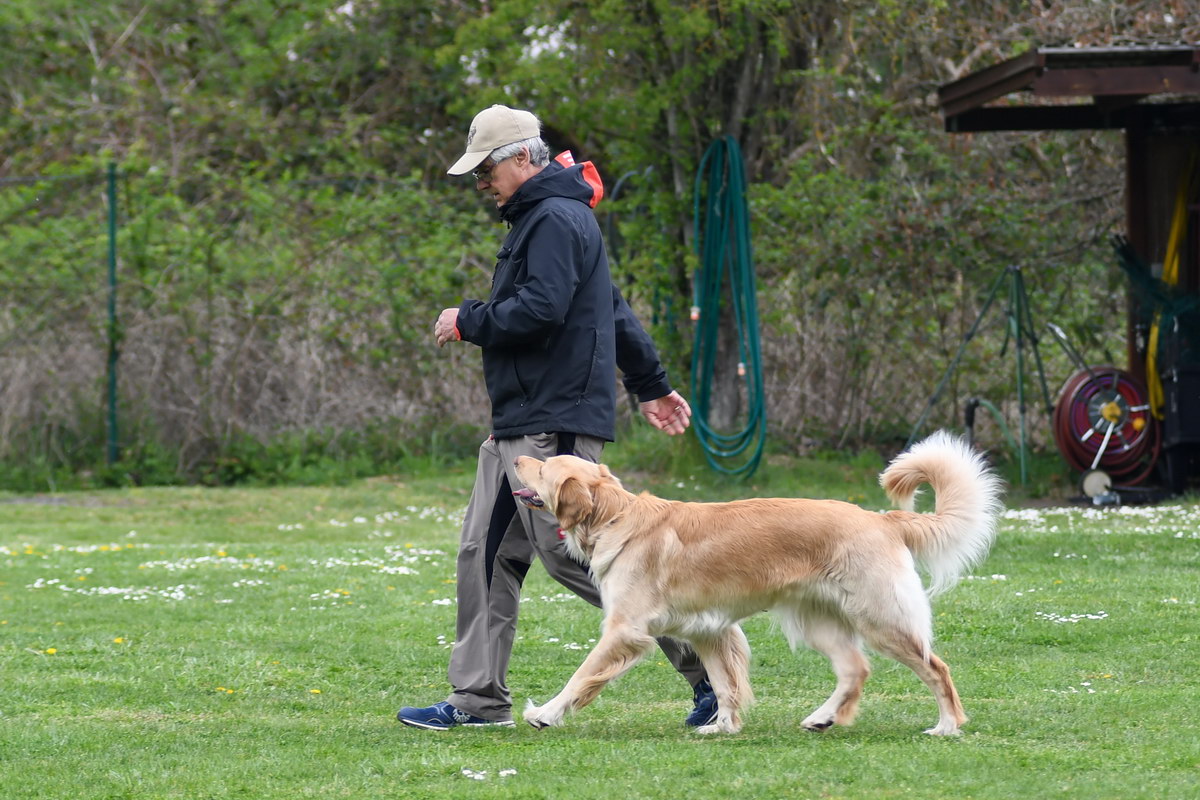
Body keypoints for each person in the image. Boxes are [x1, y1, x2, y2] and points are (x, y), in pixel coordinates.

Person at [397, 104, 717, 730]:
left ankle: (709, 664)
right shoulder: (550, 218)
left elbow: (541, 309)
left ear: (522, 157)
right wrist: (650, 384)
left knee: (579, 554)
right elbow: (613, 310)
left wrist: (469, 319)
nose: (480, 185)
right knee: (484, 554)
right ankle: (477, 700)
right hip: (521, 419)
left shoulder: (554, 218)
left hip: (554, 420)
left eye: (485, 171)